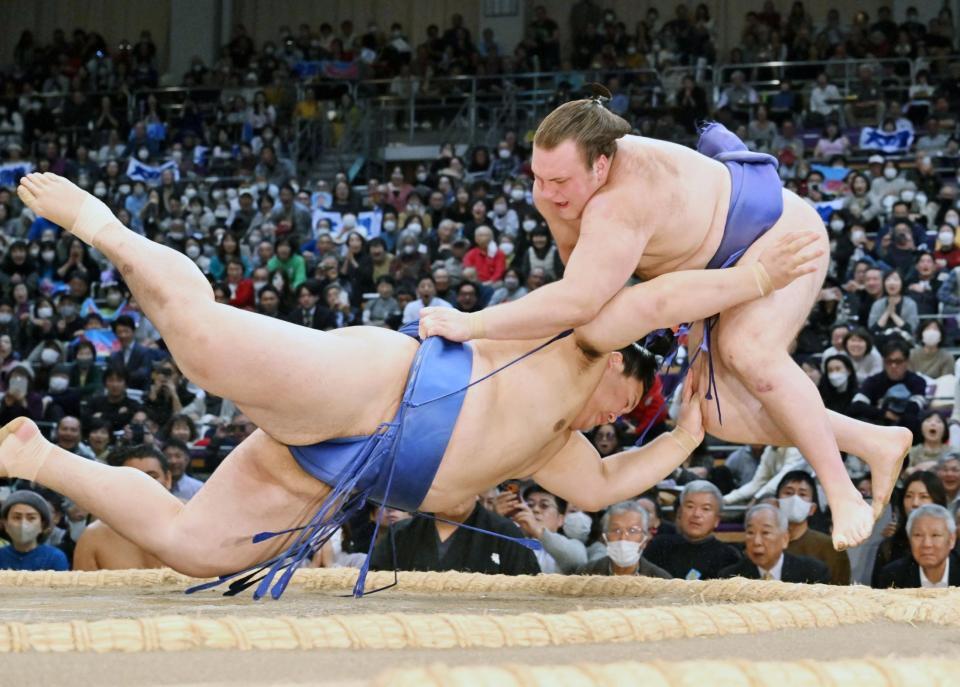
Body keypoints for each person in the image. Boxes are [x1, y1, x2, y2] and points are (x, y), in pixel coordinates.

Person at [3, 172, 815, 598]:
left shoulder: (555, 445)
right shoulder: (578, 334)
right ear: (622, 366)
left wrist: (681, 435)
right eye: (629, 401)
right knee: (206, 345)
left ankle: (37, 458)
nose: (615, 418)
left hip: (339, 473)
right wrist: (751, 279)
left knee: (192, 550)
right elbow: (663, 297)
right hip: (376, 388)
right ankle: (103, 226)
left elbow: (605, 489)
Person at [419, 95, 911, 550]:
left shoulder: (622, 201)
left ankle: (843, 491)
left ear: (602, 164)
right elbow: (585, 284)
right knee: (715, 412)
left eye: (560, 181)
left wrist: (474, 324)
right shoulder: (562, 193)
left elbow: (580, 299)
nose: (545, 192)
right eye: (538, 177)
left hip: (776, 236)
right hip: (705, 274)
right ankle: (874, 441)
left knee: (748, 350)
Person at [368, 494, 539, 575]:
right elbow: (374, 585)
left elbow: (530, 592)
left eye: (466, 482)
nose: (458, 492)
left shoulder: (505, 533)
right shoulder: (400, 534)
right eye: (451, 483)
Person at [73, 445, 172, 570]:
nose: (144, 485)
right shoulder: (94, 535)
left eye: (152, 477)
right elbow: (81, 589)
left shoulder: (194, 523)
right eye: (134, 478)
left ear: (168, 479)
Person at [644, 481, 741, 580]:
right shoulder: (659, 546)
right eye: (690, 506)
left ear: (717, 520)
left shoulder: (728, 556)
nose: (696, 514)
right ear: (680, 512)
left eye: (705, 509)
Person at [720, 504, 830, 583]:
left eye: (765, 533)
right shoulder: (730, 578)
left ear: (784, 539)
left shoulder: (812, 573)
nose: (757, 542)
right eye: (750, 532)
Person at [871, 470, 946, 585]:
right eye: (909, 496)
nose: (915, 503)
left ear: (937, 501)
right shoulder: (888, 547)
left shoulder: (952, 546)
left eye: (923, 496)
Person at [775, 470, 850, 584]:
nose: (795, 499)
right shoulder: (766, 543)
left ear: (812, 509)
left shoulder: (830, 546)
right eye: (789, 493)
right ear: (776, 503)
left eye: (802, 494)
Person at [575, 500, 670, 578]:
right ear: (605, 537)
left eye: (633, 531)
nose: (623, 538)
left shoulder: (660, 579)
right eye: (616, 530)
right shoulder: (585, 574)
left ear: (645, 540)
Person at [874, 504, 960, 588]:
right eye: (918, 535)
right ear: (909, 539)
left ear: (952, 540)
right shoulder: (892, 576)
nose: (927, 544)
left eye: (935, 535)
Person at [0, 490, 69, 571]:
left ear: (42, 525)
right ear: (6, 524)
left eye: (31, 518)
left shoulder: (55, 558)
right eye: (17, 517)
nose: (23, 524)